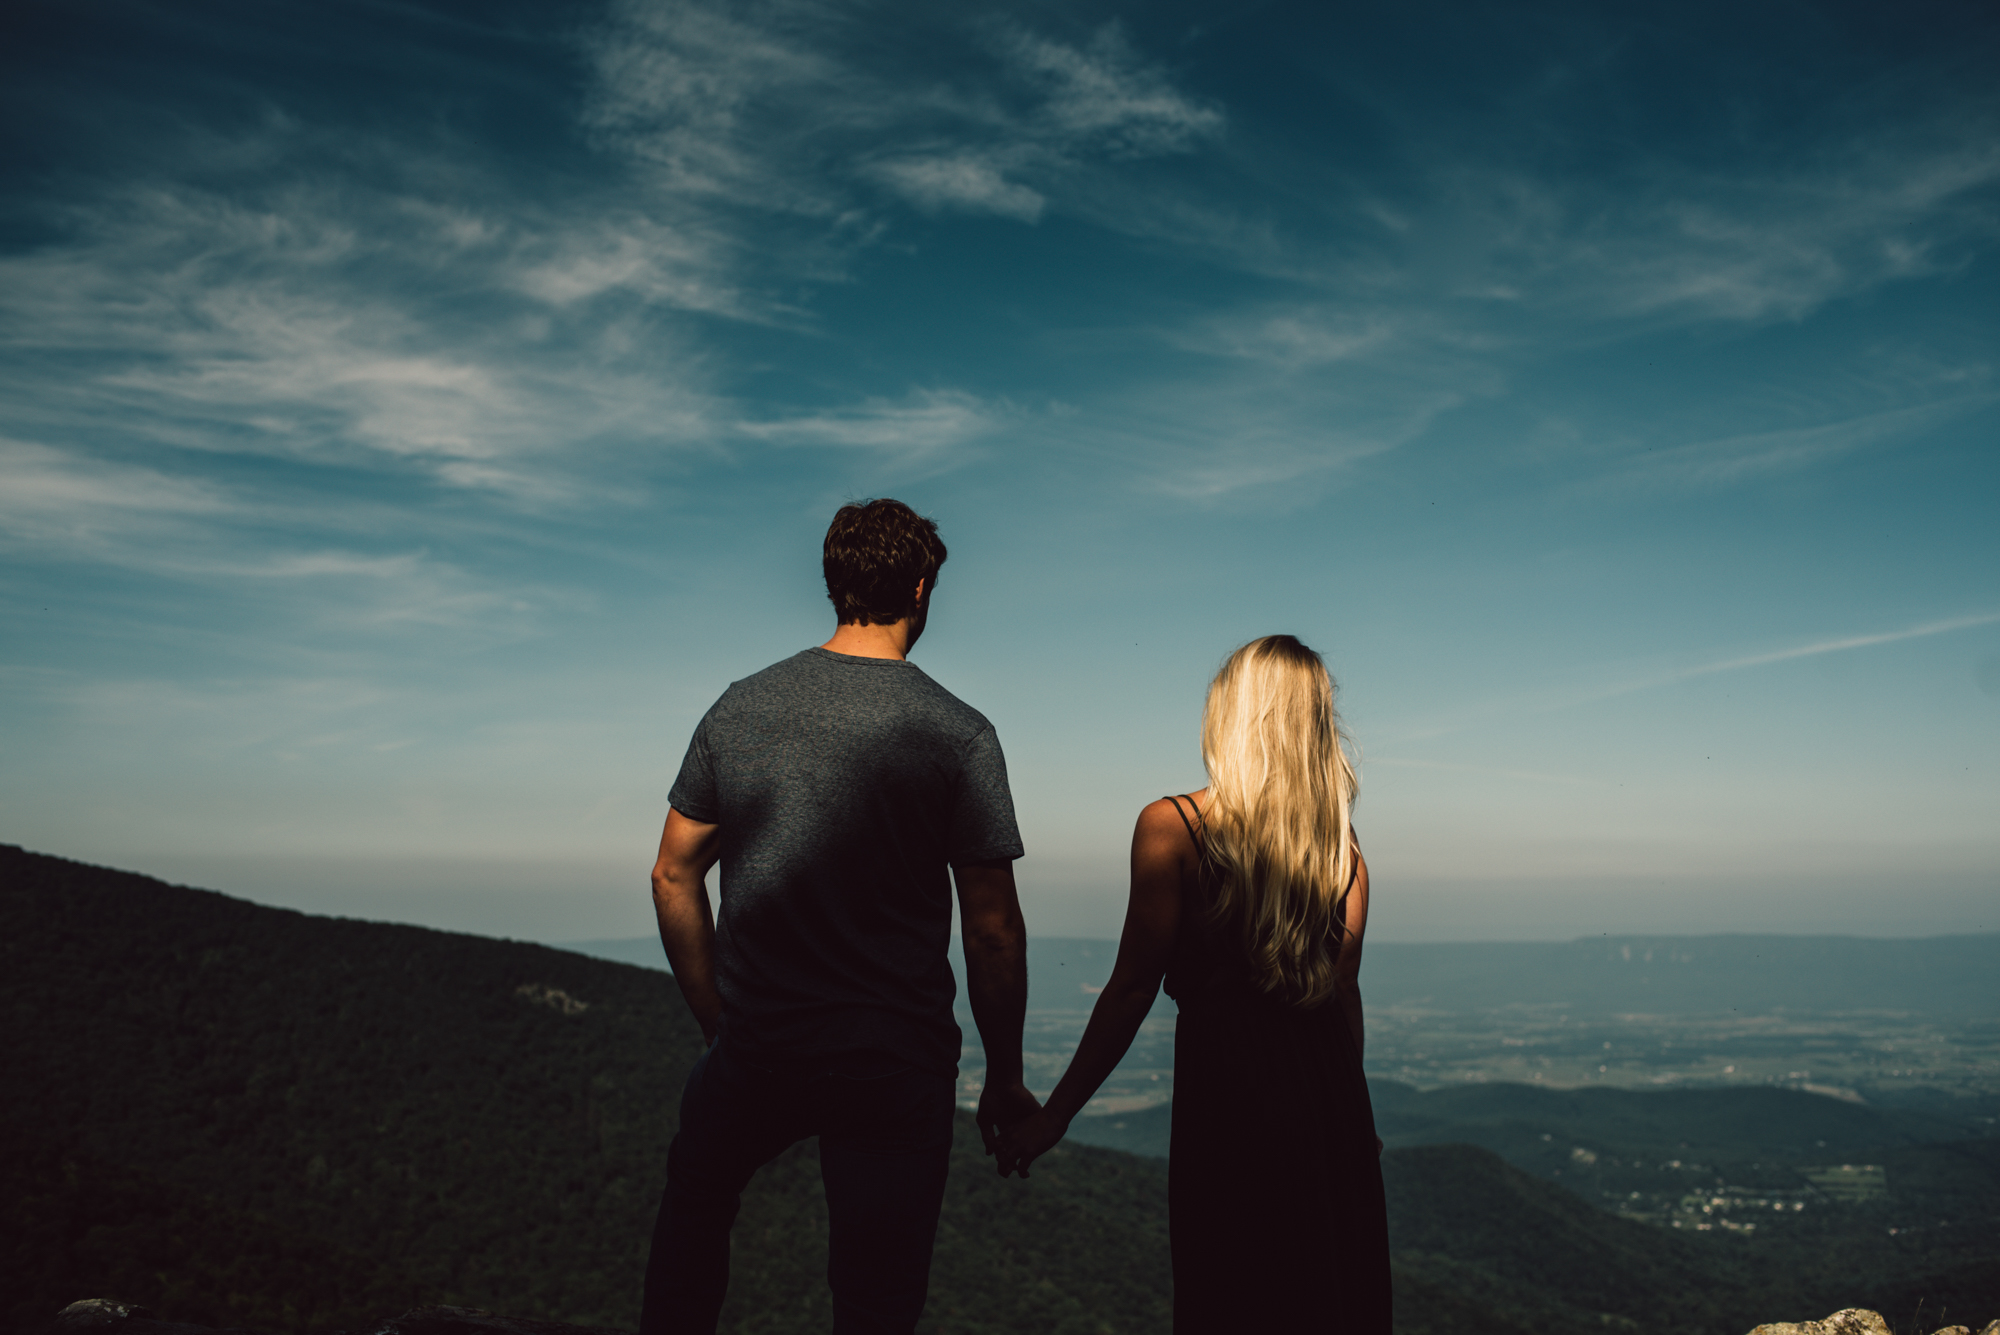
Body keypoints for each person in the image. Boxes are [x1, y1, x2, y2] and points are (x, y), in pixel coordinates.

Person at [639, 498, 1040, 1335]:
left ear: (833, 584)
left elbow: (674, 874)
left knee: (696, 1207)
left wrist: (721, 1020)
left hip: (761, 1045)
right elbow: (993, 929)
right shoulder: (959, 734)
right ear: (923, 587)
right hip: (895, 1061)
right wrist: (1004, 1076)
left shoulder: (740, 709)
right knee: (876, 1299)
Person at [993, 634, 1391, 1333]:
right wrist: (1355, 1123)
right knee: (1329, 1296)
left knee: (1230, 1290)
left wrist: (1055, 1113)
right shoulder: (1343, 854)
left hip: (1230, 1101)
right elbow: (1343, 995)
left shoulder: (1171, 828)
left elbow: (1131, 987)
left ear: (1233, 715)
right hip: (1333, 1108)